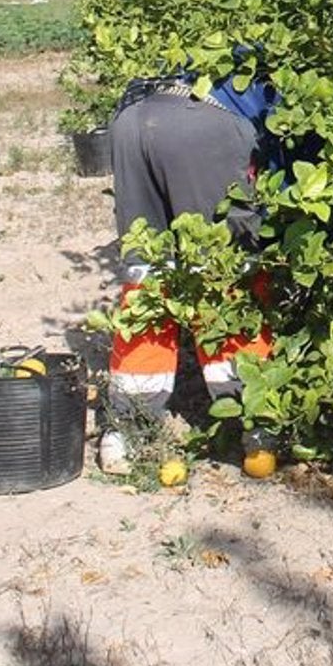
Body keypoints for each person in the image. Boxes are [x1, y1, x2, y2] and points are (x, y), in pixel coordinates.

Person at [98, 65, 283, 475]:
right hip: (206, 124)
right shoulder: (284, 47)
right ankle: (257, 421)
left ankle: (128, 432)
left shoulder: (193, 20)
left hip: (135, 115)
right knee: (227, 270)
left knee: (148, 270)